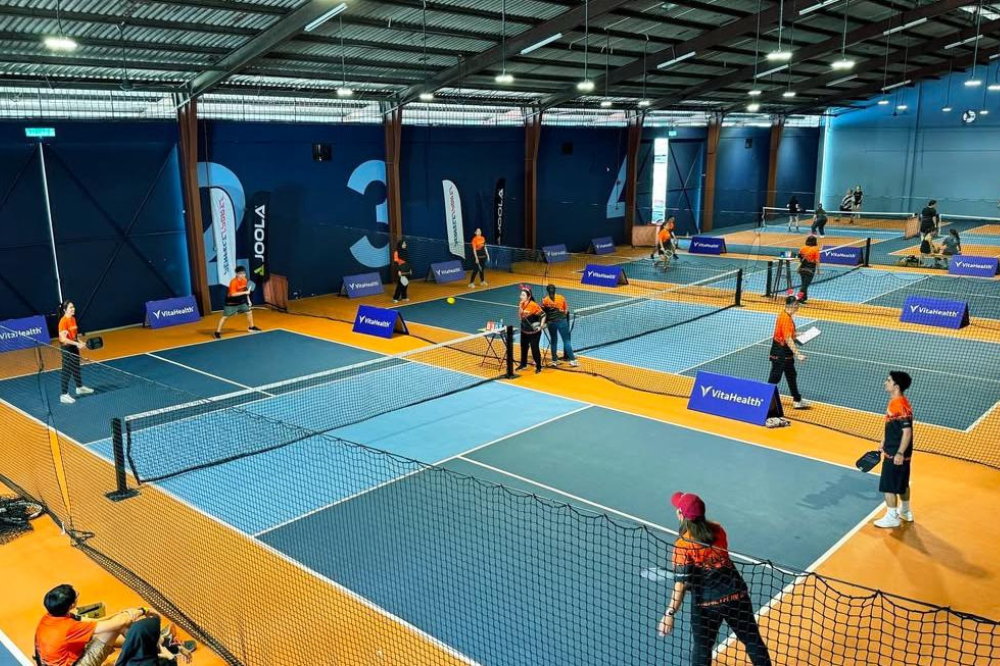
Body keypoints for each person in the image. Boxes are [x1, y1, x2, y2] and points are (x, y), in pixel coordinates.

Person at [657, 492, 772, 666]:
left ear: (681, 514)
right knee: (752, 641)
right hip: (736, 596)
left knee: (702, 648)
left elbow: (681, 585)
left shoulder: (682, 546)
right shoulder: (719, 530)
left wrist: (669, 613)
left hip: (707, 605)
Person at [35, 584, 148, 666]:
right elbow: (121, 622)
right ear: (72, 605)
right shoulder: (70, 627)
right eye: (77, 595)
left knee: (102, 631)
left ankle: (146, 645)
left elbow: (97, 622)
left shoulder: (51, 616)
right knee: (119, 625)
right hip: (76, 664)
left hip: (54, 661)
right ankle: (150, 649)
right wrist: (142, 610)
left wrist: (121, 612)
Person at [873, 371, 915, 529]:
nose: (885, 382)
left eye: (888, 380)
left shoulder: (900, 405)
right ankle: (905, 511)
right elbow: (894, 426)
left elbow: (907, 432)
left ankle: (891, 517)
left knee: (888, 485)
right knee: (903, 483)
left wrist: (899, 453)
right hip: (897, 449)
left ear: (896, 386)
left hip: (896, 452)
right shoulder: (898, 402)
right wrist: (884, 440)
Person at [767, 296, 808, 409]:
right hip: (779, 351)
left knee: (791, 375)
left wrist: (799, 334)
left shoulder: (787, 316)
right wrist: (798, 354)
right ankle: (765, 398)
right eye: (797, 304)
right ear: (794, 304)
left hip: (785, 351)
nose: (798, 306)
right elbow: (787, 338)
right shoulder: (785, 318)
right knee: (775, 376)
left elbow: (789, 334)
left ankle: (797, 400)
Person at [115, 615, 194, 666]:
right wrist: (171, 658)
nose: (159, 635)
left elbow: (154, 650)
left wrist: (178, 649)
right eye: (158, 633)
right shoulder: (150, 663)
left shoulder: (128, 654)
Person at [57, 301, 94, 405]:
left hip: (74, 347)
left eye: (73, 307)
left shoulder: (73, 319)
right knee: (67, 371)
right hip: (67, 348)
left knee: (76, 367)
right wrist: (76, 344)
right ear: (65, 310)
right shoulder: (63, 322)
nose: (73, 309)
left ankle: (79, 387)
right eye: (70, 307)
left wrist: (80, 342)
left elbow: (74, 335)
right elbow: (64, 339)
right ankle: (64, 395)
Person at [214, 266, 261, 339]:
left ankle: (251, 327)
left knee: (249, 312)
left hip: (240, 301)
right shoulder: (233, 282)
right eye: (241, 274)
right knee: (225, 317)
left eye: (244, 273)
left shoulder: (245, 280)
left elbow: (246, 293)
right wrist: (245, 292)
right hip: (231, 303)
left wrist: (249, 300)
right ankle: (217, 332)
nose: (243, 275)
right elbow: (233, 294)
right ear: (237, 274)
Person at [541, 284, 577, 367]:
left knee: (553, 341)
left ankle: (554, 361)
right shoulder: (561, 298)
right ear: (555, 290)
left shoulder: (545, 300)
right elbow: (565, 311)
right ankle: (573, 360)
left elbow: (543, 312)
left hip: (551, 323)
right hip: (561, 322)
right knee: (566, 341)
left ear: (547, 291)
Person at [516, 286, 545, 374]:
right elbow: (520, 317)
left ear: (528, 297)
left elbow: (543, 315)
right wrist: (521, 312)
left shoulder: (533, 305)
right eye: (521, 295)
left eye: (523, 295)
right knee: (523, 348)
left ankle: (538, 367)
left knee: (534, 349)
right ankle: (523, 364)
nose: (521, 296)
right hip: (524, 330)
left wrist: (541, 326)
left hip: (534, 332)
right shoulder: (521, 303)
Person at [796, 235, 820, 304]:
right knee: (805, 285)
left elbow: (799, 256)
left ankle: (804, 297)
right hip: (810, 268)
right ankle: (799, 297)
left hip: (802, 268)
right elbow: (817, 261)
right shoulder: (816, 249)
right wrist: (818, 270)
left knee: (804, 283)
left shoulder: (802, 248)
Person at [392, 239, 412, 303]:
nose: (405, 245)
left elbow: (408, 262)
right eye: (403, 244)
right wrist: (399, 270)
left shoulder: (406, 251)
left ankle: (404, 297)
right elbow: (395, 263)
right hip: (401, 270)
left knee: (405, 284)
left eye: (405, 244)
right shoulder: (396, 252)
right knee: (400, 284)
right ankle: (395, 298)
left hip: (407, 269)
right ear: (400, 245)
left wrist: (410, 269)